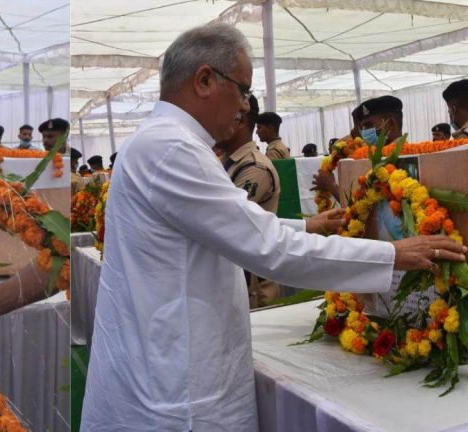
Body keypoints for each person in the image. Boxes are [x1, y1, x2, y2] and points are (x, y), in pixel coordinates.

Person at [79, 23, 466, 432]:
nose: (246, 106)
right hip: (175, 393)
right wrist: (395, 254)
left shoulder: (163, 141)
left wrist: (308, 226)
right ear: (205, 79)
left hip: (165, 366)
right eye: (243, 89)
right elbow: (267, 247)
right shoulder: (173, 148)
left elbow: (225, 224)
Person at [215, 95, 282, 307]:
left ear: (240, 120)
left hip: (254, 288)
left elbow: (224, 220)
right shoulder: (228, 161)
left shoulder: (255, 168)